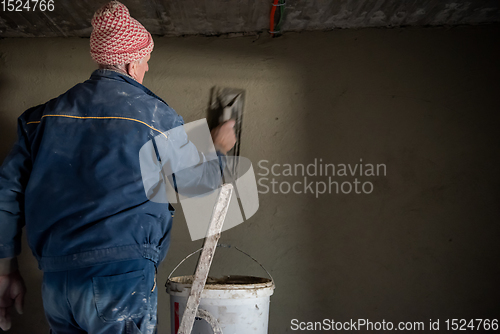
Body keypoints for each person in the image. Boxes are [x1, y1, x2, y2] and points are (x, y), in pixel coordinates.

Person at [0, 1, 235, 333]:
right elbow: (196, 184)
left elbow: (6, 194)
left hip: (56, 281)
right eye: (146, 61)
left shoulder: (40, 118)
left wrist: (5, 269)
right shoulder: (158, 118)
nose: (147, 70)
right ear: (129, 63)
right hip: (120, 281)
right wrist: (220, 148)